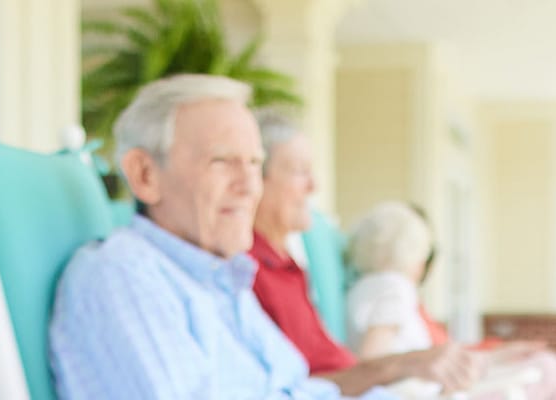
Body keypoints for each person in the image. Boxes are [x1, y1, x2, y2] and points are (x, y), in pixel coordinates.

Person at [48, 75, 471, 399]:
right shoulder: (124, 278)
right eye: (224, 161)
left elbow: (297, 390)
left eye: (254, 163)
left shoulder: (220, 282)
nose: (250, 185)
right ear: (145, 175)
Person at [244, 112, 482, 393]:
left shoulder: (288, 267)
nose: (313, 186)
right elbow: (295, 387)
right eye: (299, 171)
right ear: (256, 179)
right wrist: (407, 364)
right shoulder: (248, 271)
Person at [346, 203, 556, 400]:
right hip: (436, 392)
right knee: (548, 371)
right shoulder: (393, 289)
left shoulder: (367, 287)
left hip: (439, 386)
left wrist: (494, 356)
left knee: (545, 367)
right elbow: (372, 361)